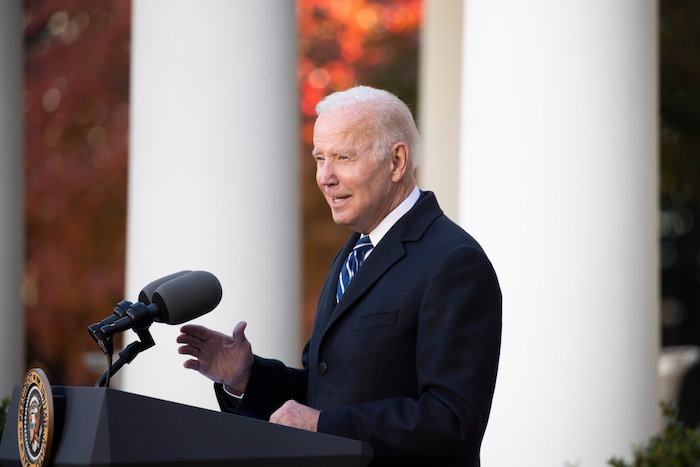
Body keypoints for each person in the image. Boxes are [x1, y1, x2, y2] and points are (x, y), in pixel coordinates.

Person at [177, 85, 502, 466]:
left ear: (397, 161)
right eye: (319, 158)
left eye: (343, 157)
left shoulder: (453, 261)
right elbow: (326, 391)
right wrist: (247, 378)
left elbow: (452, 419)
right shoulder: (353, 254)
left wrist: (324, 425)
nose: (325, 177)